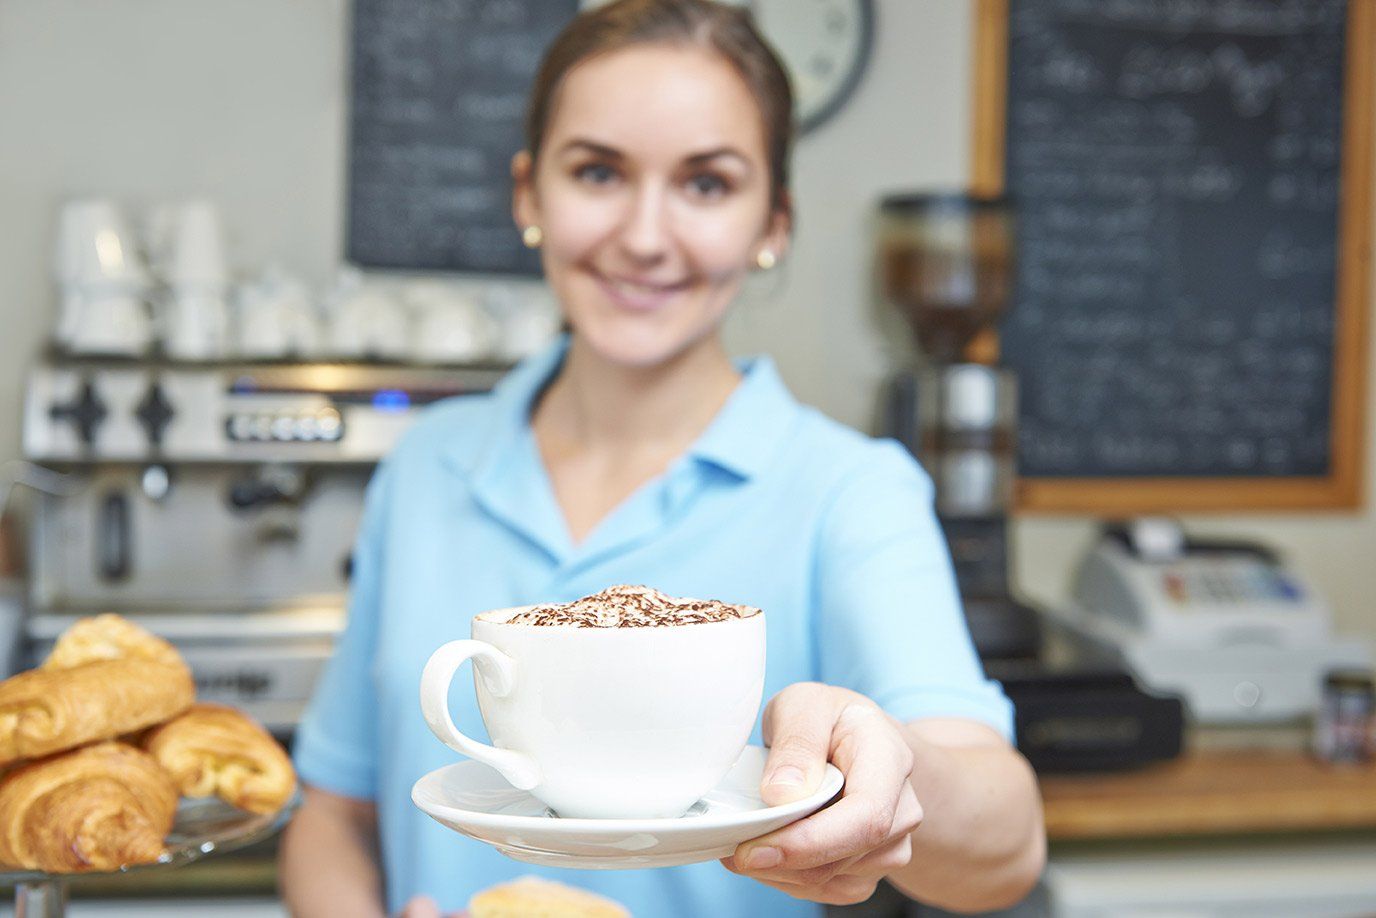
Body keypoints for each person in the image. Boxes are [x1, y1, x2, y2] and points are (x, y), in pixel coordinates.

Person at [278, 2, 1045, 916]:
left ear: (775, 222)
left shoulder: (847, 492)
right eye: (598, 171)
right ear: (529, 195)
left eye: (707, 184)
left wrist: (891, 770)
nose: (644, 236)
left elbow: (1006, 842)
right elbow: (333, 812)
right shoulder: (424, 471)